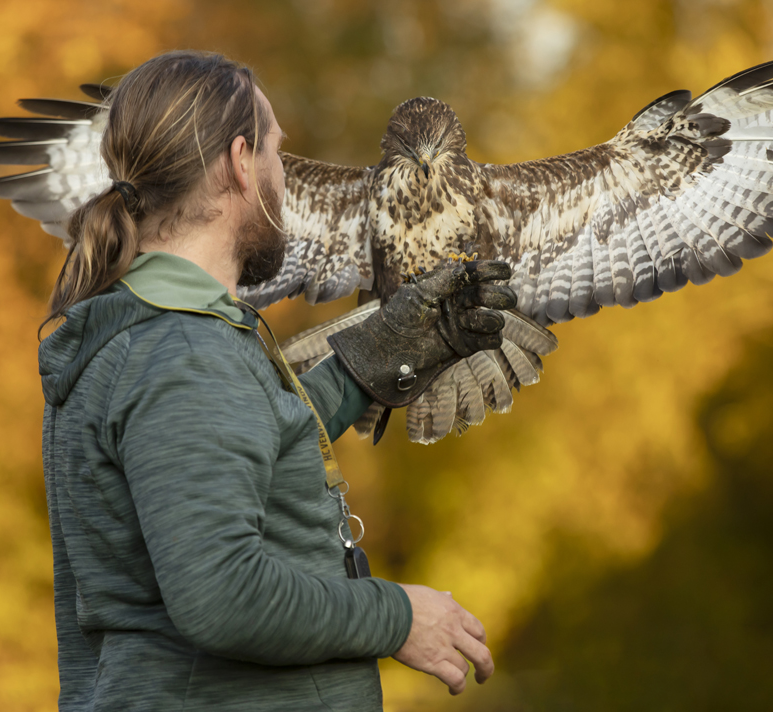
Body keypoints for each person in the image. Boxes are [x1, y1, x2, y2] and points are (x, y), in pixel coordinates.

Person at [38, 50, 512, 711]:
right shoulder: (182, 357)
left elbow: (249, 447)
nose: (283, 180)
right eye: (275, 157)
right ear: (239, 164)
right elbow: (222, 597)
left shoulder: (159, 336)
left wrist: (374, 360)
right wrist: (397, 615)